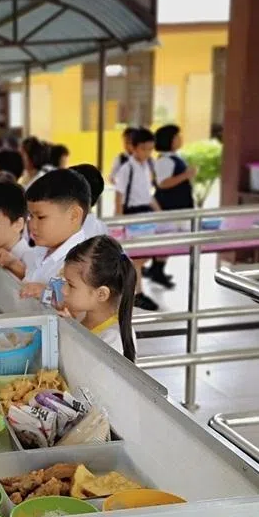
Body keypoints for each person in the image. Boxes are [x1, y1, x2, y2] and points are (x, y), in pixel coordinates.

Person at [0, 169, 107, 299]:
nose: (32, 225)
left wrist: (46, 293)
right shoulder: (41, 250)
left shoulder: (80, 263)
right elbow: (36, 280)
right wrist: (12, 264)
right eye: (31, 216)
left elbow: (71, 302)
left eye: (41, 217)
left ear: (74, 215)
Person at [55, 235, 137, 361]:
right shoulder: (81, 315)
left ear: (101, 294)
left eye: (70, 285)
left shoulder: (112, 340)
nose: (63, 290)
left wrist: (70, 333)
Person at [113, 127, 161, 311]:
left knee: (142, 258)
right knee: (137, 258)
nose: (147, 153)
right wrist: (120, 220)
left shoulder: (146, 167)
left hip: (146, 215)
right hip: (133, 216)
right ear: (133, 148)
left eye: (150, 149)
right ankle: (136, 293)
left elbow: (147, 194)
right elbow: (119, 195)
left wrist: (160, 213)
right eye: (144, 149)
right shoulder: (127, 169)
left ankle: (134, 292)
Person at [149, 124, 198, 290]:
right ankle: (157, 270)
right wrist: (186, 175)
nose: (180, 139)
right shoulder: (164, 161)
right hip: (169, 205)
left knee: (167, 240)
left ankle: (157, 269)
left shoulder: (174, 157)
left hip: (178, 204)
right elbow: (163, 183)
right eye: (177, 137)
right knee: (166, 239)